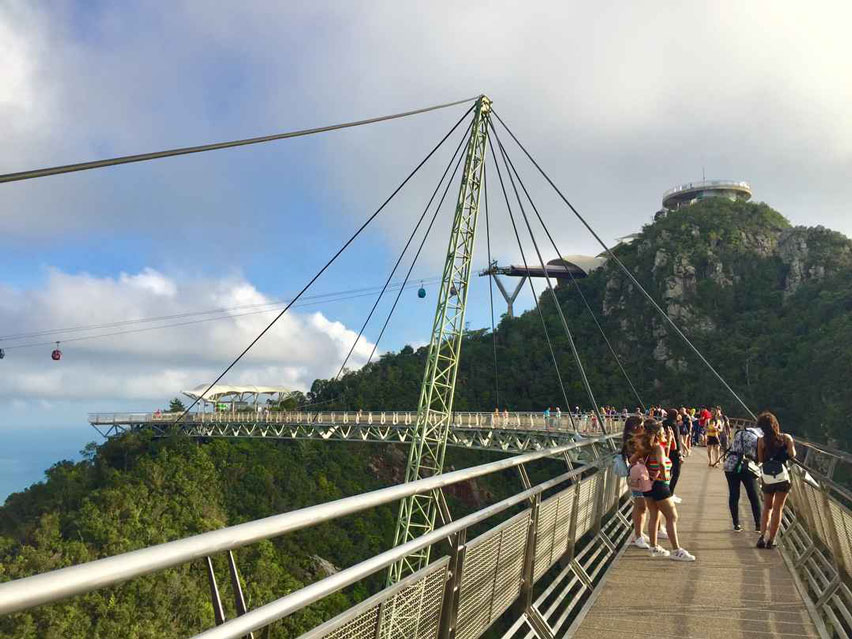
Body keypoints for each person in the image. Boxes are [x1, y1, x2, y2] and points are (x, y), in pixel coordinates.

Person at [630, 420, 695, 561]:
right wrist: (665, 475)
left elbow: (632, 460)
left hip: (648, 486)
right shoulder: (657, 446)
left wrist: (646, 468)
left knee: (654, 515)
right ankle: (676, 550)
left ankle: (654, 547)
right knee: (672, 517)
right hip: (660, 485)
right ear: (658, 432)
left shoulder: (644, 447)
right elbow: (661, 462)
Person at [757, 412, 796, 549]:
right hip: (782, 477)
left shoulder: (761, 440)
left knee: (767, 507)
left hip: (767, 478)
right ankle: (771, 540)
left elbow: (761, 460)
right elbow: (792, 454)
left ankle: (761, 536)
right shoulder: (786, 438)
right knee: (777, 509)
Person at [723, 421, 762, 532]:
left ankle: (736, 524)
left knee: (734, 495)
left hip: (731, 465)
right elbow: (759, 456)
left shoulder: (738, 434)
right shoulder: (757, 439)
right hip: (747, 467)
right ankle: (758, 525)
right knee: (754, 496)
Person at [621, 415, 650, 549]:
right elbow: (636, 457)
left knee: (640, 506)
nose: (644, 429)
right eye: (642, 426)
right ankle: (638, 536)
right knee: (641, 506)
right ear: (636, 427)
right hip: (636, 476)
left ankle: (639, 533)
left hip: (637, 474)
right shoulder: (632, 440)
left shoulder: (632, 438)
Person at [664, 408, 684, 504]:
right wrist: (680, 453)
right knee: (676, 473)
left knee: (667, 471)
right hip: (674, 451)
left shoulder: (664, 423)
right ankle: (670, 493)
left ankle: (666, 491)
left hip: (665, 451)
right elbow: (676, 438)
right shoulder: (674, 425)